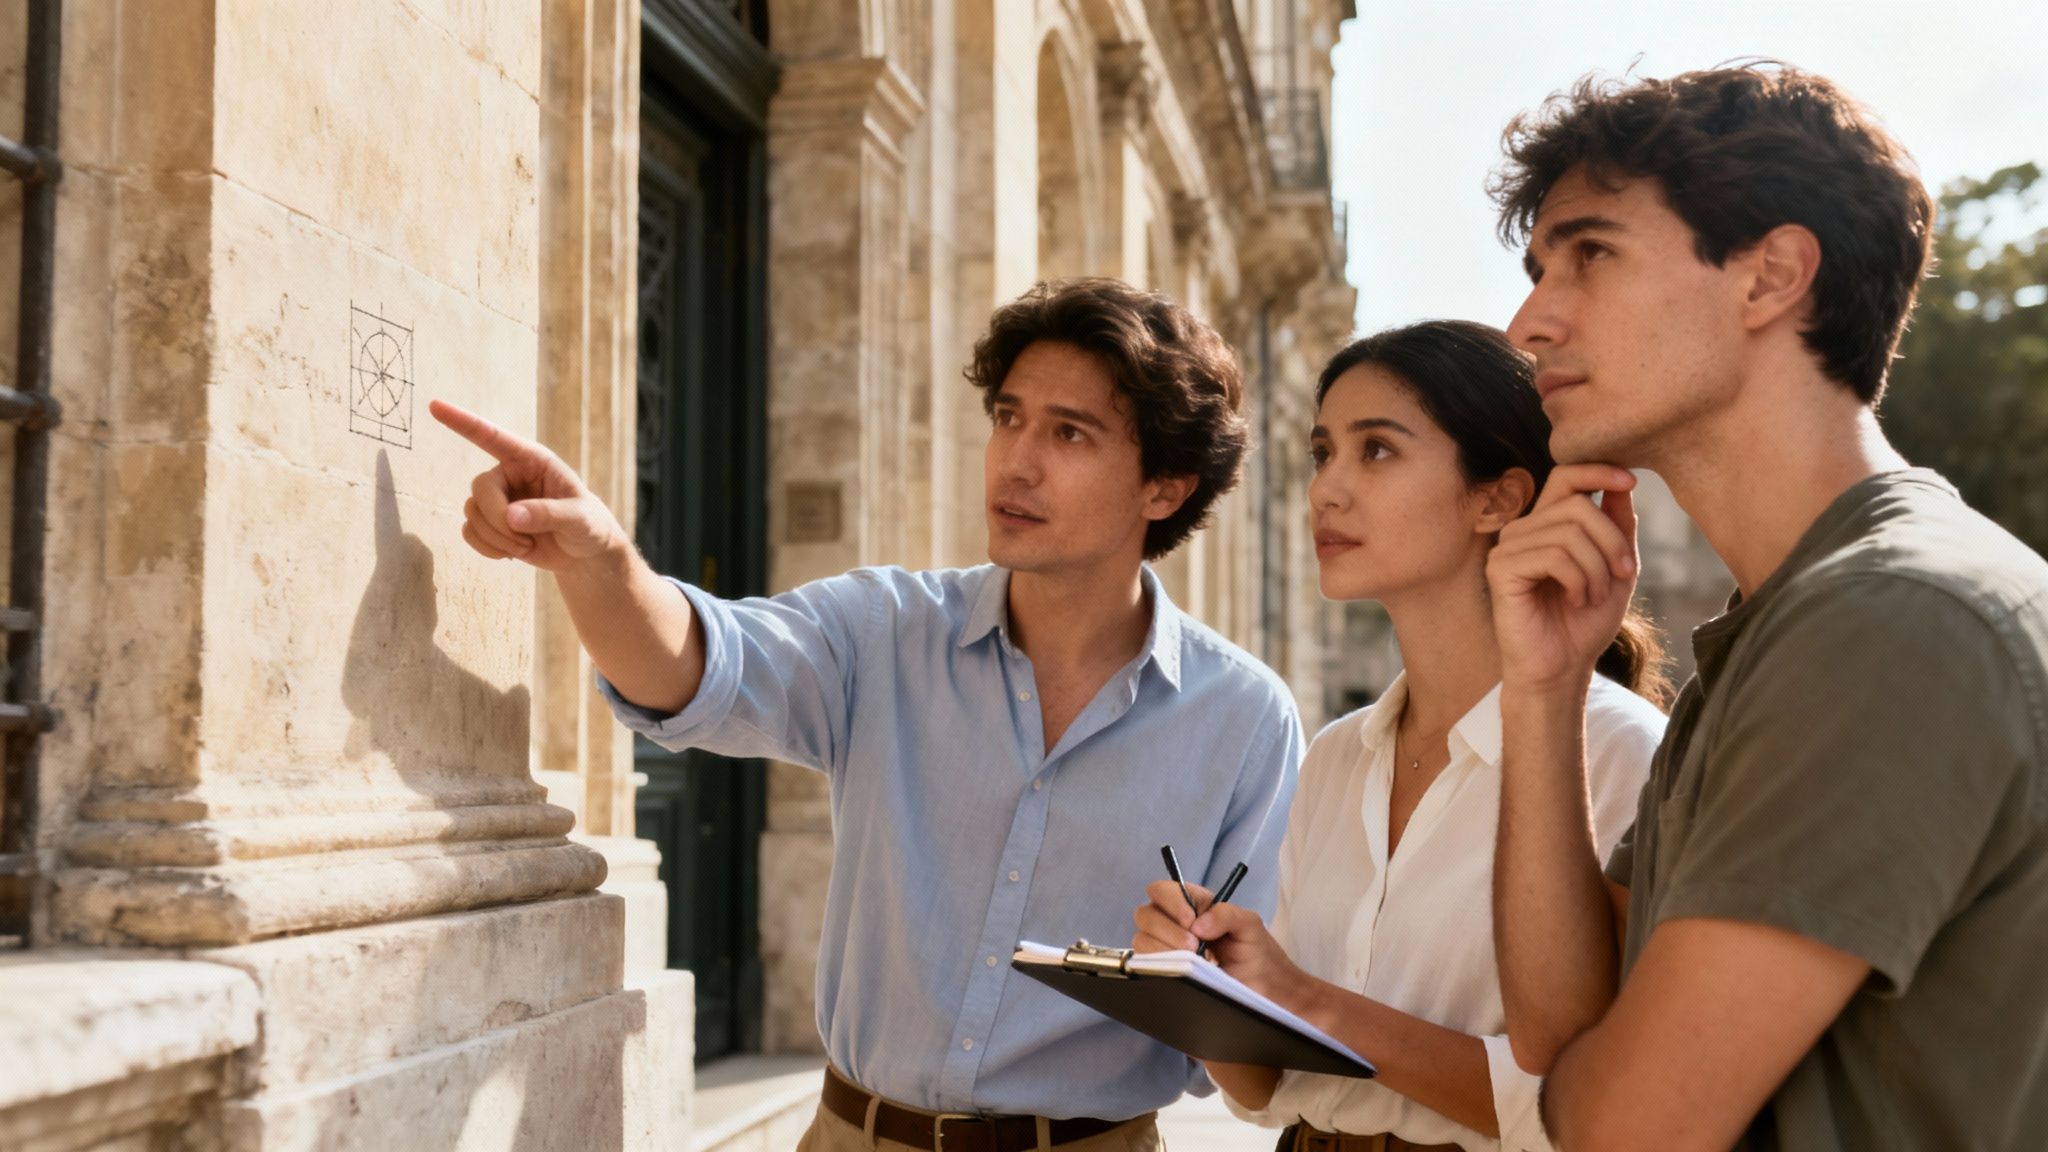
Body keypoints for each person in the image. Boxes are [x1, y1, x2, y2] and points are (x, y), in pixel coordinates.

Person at [434, 277, 1302, 1152]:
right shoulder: (883, 629)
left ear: (1165, 488)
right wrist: (598, 559)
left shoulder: (1245, 721)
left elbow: (1250, 1062)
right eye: (1008, 418)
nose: (1016, 461)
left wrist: (1193, 976)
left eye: (1069, 433)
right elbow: (696, 667)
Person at [1484, 63, 2048, 1150]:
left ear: (1770, 277)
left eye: (1589, 254)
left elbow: (1624, 1130)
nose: (1527, 323)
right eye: (1537, 269)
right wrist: (1543, 692)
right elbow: (1558, 1033)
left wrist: (1598, 1080)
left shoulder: (1887, 621)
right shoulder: (1784, 629)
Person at [1131, 320, 1669, 1151]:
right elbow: (1270, 1088)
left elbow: (1589, 1101)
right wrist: (1205, 985)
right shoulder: (1339, 754)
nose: (1326, 489)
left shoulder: (1620, 752)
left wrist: (1304, 996)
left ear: (1497, 498)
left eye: (1376, 450)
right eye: (1322, 453)